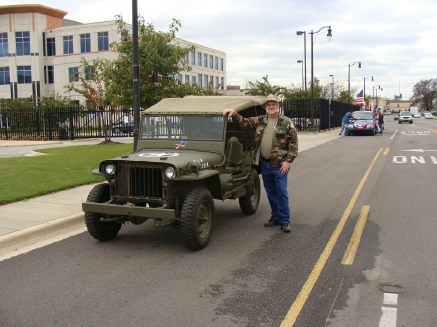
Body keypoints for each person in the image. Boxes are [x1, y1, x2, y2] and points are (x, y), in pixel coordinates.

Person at [223, 94, 298, 233]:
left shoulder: (287, 122)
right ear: (265, 107)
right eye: (268, 104)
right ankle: (275, 217)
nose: (271, 106)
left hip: (280, 165)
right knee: (270, 193)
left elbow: (293, 144)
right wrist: (234, 113)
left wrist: (288, 162)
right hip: (265, 163)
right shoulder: (260, 120)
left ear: (278, 106)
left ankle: (285, 221)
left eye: (274, 104)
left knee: (281, 192)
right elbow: (244, 122)